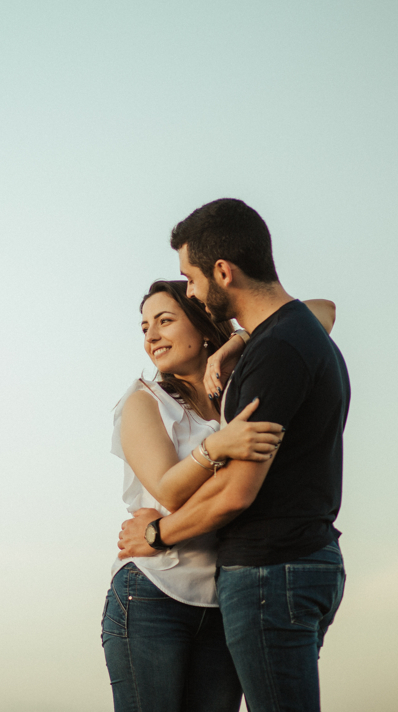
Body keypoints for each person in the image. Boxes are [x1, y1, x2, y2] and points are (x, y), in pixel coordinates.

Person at [118, 199, 350, 712]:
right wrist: (214, 447)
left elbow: (321, 311)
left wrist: (238, 341)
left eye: (190, 282)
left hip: (247, 581)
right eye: (144, 326)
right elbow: (169, 488)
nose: (151, 334)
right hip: (162, 587)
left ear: (221, 275)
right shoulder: (147, 401)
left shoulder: (253, 364)